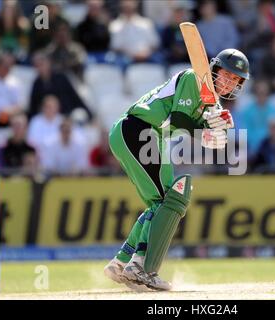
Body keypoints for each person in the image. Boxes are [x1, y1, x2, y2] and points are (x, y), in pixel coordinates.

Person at [103, 49, 250, 291]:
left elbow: (203, 133)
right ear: (214, 69)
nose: (229, 83)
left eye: (236, 80)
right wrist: (205, 132)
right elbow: (180, 120)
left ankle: (122, 262)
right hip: (139, 129)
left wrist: (219, 131)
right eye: (227, 75)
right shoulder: (195, 78)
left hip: (148, 136)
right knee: (169, 201)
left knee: (160, 203)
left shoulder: (212, 102)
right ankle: (139, 267)